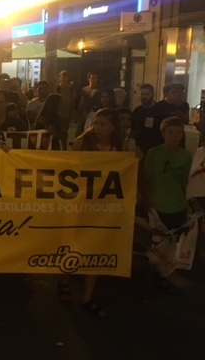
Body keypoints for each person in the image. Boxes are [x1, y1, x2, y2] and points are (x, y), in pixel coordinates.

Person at [66, 108, 122, 317]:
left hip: (102, 207)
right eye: (96, 123)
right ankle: (64, 280)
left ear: (113, 127)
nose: (98, 128)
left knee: (96, 249)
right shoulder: (83, 142)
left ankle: (87, 297)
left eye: (103, 124)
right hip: (81, 203)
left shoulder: (118, 148)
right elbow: (67, 168)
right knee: (72, 244)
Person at [143, 116, 192, 294]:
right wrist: (149, 202)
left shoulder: (185, 156)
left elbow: (184, 181)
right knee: (157, 245)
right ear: (163, 134)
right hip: (159, 206)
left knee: (172, 246)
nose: (175, 136)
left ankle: (164, 277)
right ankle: (153, 278)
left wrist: (189, 202)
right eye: (171, 133)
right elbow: (147, 179)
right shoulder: (154, 153)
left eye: (178, 133)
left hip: (177, 205)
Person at [131, 83, 159, 155]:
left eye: (147, 94)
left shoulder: (160, 110)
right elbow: (133, 129)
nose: (144, 97)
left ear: (153, 94)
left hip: (156, 148)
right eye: (142, 94)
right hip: (140, 148)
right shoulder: (137, 111)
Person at [76, 72, 99, 136]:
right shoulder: (85, 89)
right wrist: (79, 112)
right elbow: (82, 101)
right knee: (79, 130)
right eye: (92, 78)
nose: (94, 79)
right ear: (89, 79)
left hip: (93, 113)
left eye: (95, 78)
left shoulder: (98, 90)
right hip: (84, 113)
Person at [56, 70, 75, 150]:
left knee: (64, 132)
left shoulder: (70, 88)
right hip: (58, 114)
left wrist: (71, 112)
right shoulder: (57, 88)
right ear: (60, 78)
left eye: (65, 76)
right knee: (58, 131)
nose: (64, 78)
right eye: (62, 76)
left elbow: (72, 100)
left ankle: (64, 148)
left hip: (66, 113)